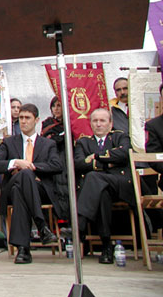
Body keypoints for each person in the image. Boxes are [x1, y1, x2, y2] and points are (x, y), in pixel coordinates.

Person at [0, 103, 61, 264]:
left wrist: (32, 167)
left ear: (36, 120)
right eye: (21, 118)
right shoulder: (9, 143)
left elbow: (57, 166)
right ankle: (41, 225)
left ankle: (23, 249)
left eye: (27, 118)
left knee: (20, 189)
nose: (23, 121)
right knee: (23, 179)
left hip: (40, 190)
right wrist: (16, 162)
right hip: (12, 187)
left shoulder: (48, 144)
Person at [74, 108, 134, 264]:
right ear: (90, 123)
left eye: (102, 121)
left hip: (120, 185)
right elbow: (79, 163)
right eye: (95, 121)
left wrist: (95, 157)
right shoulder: (83, 142)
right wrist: (108, 163)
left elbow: (123, 154)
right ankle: (106, 246)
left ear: (110, 123)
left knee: (93, 176)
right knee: (101, 193)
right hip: (99, 190)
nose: (99, 124)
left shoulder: (120, 136)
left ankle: (79, 224)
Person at [41, 96, 70, 221]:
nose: (57, 109)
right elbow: (49, 140)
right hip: (54, 160)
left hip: (70, 160)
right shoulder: (47, 123)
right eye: (54, 106)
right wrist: (62, 137)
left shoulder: (71, 122)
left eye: (59, 105)